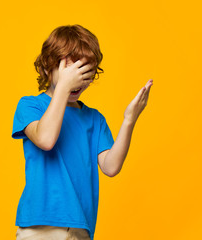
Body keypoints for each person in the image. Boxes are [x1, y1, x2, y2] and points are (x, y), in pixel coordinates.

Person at [11, 24, 153, 240]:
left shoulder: (94, 119)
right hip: (41, 226)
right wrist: (63, 87)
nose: (79, 80)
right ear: (48, 66)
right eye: (72, 72)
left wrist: (129, 120)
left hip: (81, 227)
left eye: (86, 72)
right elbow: (46, 139)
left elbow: (111, 166)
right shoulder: (31, 106)